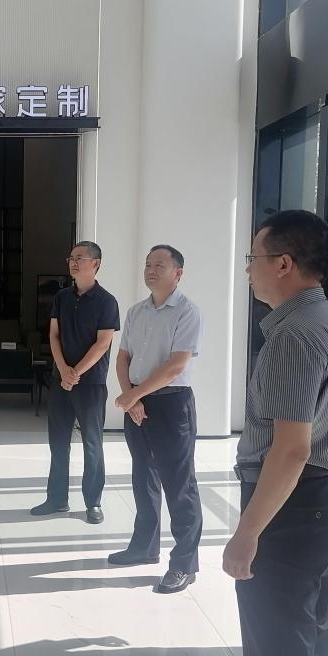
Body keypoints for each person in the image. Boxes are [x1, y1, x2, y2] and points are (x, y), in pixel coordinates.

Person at [224, 210, 328, 656]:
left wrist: (248, 531)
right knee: (308, 647)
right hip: (323, 503)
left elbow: (291, 449)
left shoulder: (295, 334)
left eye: (253, 258)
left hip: (291, 511)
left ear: (282, 263)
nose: (248, 269)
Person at [110, 245, 204, 594]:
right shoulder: (136, 311)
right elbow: (122, 358)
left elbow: (176, 366)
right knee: (143, 475)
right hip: (138, 400)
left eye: (159, 265)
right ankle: (144, 547)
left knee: (179, 484)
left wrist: (134, 395)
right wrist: (131, 395)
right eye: (148, 264)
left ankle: (184, 565)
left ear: (178, 273)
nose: (150, 270)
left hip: (171, 403)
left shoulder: (187, 312)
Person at [31, 241, 119, 524]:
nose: (73, 262)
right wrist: (63, 370)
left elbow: (103, 343)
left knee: (92, 444)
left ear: (96, 264)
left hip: (90, 383)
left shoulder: (107, 301)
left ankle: (93, 502)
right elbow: (53, 335)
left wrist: (76, 372)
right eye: (71, 258)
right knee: (58, 443)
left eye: (80, 258)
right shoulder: (62, 297)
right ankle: (57, 499)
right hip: (60, 381)